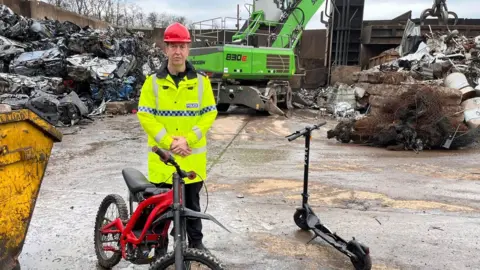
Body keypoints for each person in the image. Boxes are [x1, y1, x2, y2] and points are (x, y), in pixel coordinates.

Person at [137, 22, 218, 250]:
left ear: (188, 49)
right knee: (161, 210)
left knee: (191, 206)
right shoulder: (152, 83)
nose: (178, 51)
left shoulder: (202, 82)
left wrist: (187, 140)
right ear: (166, 49)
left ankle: (196, 245)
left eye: (182, 46)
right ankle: (160, 248)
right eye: (173, 46)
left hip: (191, 160)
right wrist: (170, 143)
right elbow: (146, 117)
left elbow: (208, 114)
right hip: (163, 161)